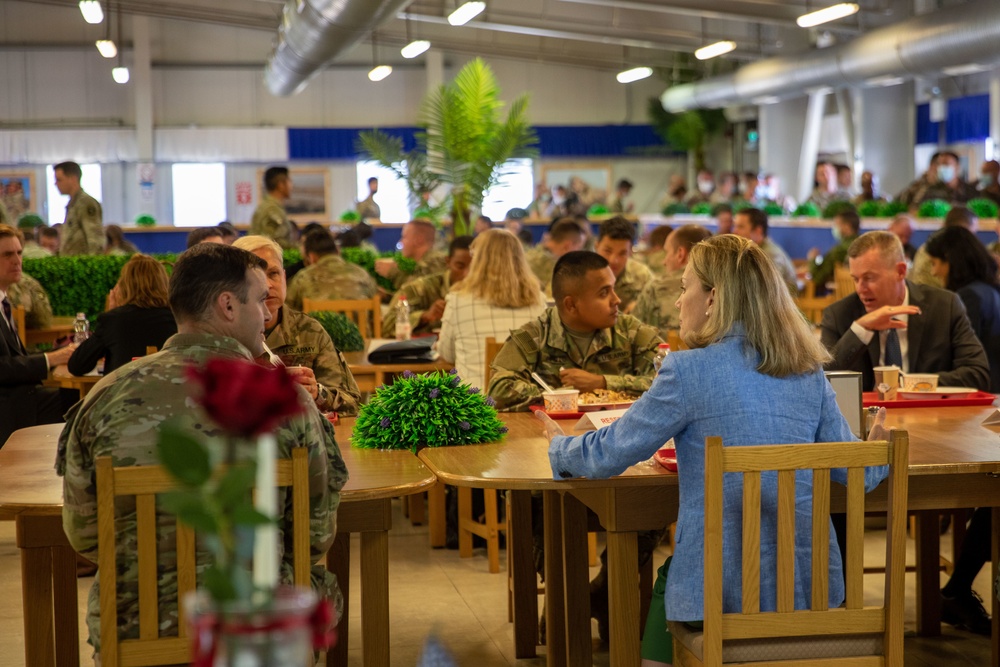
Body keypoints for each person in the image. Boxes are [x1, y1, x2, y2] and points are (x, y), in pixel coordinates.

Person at [538, 234, 889, 665]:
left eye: (685, 287)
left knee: (670, 580)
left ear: (713, 298)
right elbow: (858, 473)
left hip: (718, 596)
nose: (677, 301)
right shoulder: (807, 370)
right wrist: (879, 448)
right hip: (809, 592)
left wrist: (559, 448)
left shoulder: (687, 371)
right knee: (676, 577)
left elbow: (611, 452)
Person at [57, 242, 348, 656]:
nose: (268, 315)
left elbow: (84, 537)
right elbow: (315, 536)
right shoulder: (288, 403)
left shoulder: (104, 398)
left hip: (136, 627)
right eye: (261, 301)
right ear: (228, 305)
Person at [487, 250, 662, 411]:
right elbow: (499, 391)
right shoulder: (534, 337)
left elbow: (671, 379)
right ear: (571, 305)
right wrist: (562, 396)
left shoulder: (629, 331)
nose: (616, 300)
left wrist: (602, 383)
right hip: (548, 437)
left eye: (613, 289)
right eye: (603, 293)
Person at [820, 231, 989, 392]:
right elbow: (821, 381)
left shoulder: (944, 306)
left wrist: (909, 384)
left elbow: (977, 374)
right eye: (855, 279)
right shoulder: (839, 315)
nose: (860, 289)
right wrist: (859, 330)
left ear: (900, 271)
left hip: (931, 416)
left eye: (869, 278)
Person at [233, 235, 361, 415]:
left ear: (284, 277)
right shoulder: (224, 334)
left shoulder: (309, 331)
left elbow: (351, 404)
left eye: (273, 274)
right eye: (257, 275)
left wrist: (317, 393)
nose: (268, 285)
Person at [438, 229, 547, 390]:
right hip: (524, 404)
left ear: (477, 260)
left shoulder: (458, 300)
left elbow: (446, 354)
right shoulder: (540, 301)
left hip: (474, 406)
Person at [0, 224, 78, 445]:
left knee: (81, 399)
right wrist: (50, 359)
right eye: (7, 254)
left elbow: (16, 358)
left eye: (19, 253)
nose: (17, 260)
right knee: (79, 402)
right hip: (9, 405)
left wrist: (59, 354)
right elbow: (3, 367)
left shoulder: (5, 302)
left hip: (19, 396)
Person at [67, 255, 176, 376]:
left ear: (125, 286)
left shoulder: (113, 320)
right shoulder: (177, 318)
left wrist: (112, 313)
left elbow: (77, 366)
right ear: (164, 283)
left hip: (123, 394)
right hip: (169, 393)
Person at [382, 236, 473, 337]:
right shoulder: (420, 289)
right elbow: (387, 327)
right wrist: (424, 316)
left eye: (474, 267)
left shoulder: (487, 292)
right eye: (460, 267)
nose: (466, 274)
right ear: (448, 262)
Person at [634, 224, 712, 337]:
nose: (664, 261)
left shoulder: (655, 287)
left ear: (680, 254)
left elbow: (635, 332)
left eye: (667, 252)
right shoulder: (722, 285)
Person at [286, 228, 378, 311]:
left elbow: (289, 311)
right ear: (338, 251)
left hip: (320, 330)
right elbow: (375, 313)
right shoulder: (362, 274)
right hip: (359, 330)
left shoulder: (303, 278)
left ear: (311, 257)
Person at [910, 205, 978, 289]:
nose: (973, 238)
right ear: (963, 229)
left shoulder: (928, 247)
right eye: (972, 233)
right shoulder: (943, 250)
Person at [593, 216, 652, 312]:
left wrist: (641, 307)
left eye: (622, 253)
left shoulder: (642, 276)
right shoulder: (583, 275)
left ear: (630, 252)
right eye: (607, 251)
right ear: (596, 246)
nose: (613, 260)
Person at [732, 207, 798, 293]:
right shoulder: (752, 251)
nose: (734, 231)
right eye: (735, 226)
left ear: (758, 231)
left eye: (740, 227)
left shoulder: (771, 255)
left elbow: (767, 289)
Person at [374, 219, 447, 290]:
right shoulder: (420, 263)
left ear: (419, 240)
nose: (401, 242)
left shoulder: (436, 262)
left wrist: (393, 272)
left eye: (404, 237)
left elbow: (419, 291)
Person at [524, 218, 586, 293]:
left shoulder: (529, 254)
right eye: (578, 247)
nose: (579, 253)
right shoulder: (551, 267)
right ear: (567, 246)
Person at [55, 161, 104, 255]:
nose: (56, 184)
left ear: (73, 179)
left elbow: (95, 239)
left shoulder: (86, 203)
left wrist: (93, 265)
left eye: (59, 180)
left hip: (83, 265)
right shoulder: (72, 204)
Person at [896, 151, 977, 207]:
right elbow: (914, 207)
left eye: (946, 164)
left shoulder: (969, 191)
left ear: (957, 167)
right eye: (939, 164)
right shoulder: (930, 190)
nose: (941, 168)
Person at [807, 208, 861, 290]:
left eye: (837, 224)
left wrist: (812, 259)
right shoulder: (865, 245)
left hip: (841, 296)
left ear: (847, 226)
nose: (835, 228)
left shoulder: (840, 250)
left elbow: (818, 278)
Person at [250, 166, 295, 248]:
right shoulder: (271, 209)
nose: (291, 186)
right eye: (289, 181)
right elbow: (274, 243)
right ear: (281, 185)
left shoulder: (269, 207)